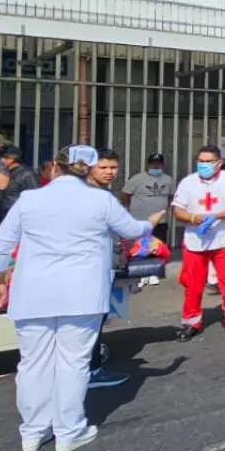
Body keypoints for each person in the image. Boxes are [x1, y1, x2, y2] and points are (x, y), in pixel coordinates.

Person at [0, 145, 165, 451]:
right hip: (81, 295)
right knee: (73, 363)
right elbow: (132, 230)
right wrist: (151, 222)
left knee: (32, 364)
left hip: (32, 294)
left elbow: (0, 249)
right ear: (91, 168)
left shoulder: (30, 199)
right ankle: (69, 431)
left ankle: (32, 433)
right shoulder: (100, 200)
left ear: (55, 166)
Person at [171, 145, 225, 343]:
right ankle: (191, 323)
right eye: (200, 161)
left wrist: (214, 216)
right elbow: (178, 211)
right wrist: (194, 218)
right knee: (192, 284)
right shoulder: (187, 183)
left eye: (208, 161)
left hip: (224, 240)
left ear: (218, 163)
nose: (203, 165)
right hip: (195, 241)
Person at [84, 148, 130, 389]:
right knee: (90, 320)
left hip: (102, 264)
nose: (110, 172)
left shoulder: (102, 192)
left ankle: (92, 362)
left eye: (113, 167)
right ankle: (92, 370)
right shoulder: (88, 195)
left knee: (97, 319)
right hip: (88, 268)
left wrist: (118, 252)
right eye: (103, 167)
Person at [121, 153, 174, 248]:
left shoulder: (169, 180)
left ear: (163, 165)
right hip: (139, 220)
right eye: (153, 164)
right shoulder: (137, 178)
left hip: (160, 221)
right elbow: (125, 194)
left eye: (158, 164)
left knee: (158, 248)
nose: (156, 166)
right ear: (148, 165)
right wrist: (129, 208)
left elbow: (171, 196)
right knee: (138, 248)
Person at [0, 144, 40, 210]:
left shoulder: (27, 174)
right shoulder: (0, 171)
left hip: (16, 213)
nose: (0, 160)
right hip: (1, 213)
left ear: (11, 159)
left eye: (3, 157)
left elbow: (35, 196)